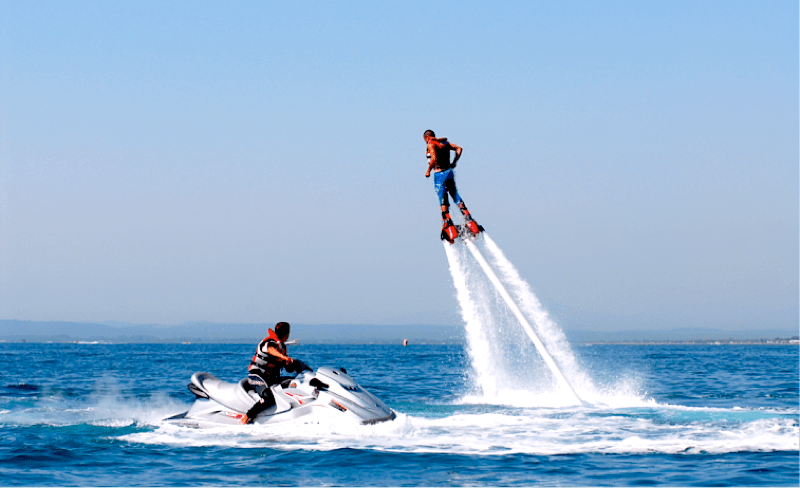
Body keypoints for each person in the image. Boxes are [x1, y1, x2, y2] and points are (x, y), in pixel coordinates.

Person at [423, 130, 481, 242]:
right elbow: (459, 148)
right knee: (455, 195)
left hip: (439, 174)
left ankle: (447, 223)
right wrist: (455, 162)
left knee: (442, 198)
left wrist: (428, 171)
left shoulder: (431, 144)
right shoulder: (445, 143)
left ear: (427, 137)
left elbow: (434, 158)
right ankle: (469, 220)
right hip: (449, 172)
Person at [240, 321, 299, 424]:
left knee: (295, 382)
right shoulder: (269, 342)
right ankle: (246, 417)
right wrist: (283, 357)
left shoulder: (282, 348)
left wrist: (293, 364)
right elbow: (270, 350)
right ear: (287, 334)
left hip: (271, 378)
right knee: (268, 398)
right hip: (256, 376)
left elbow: (287, 368)